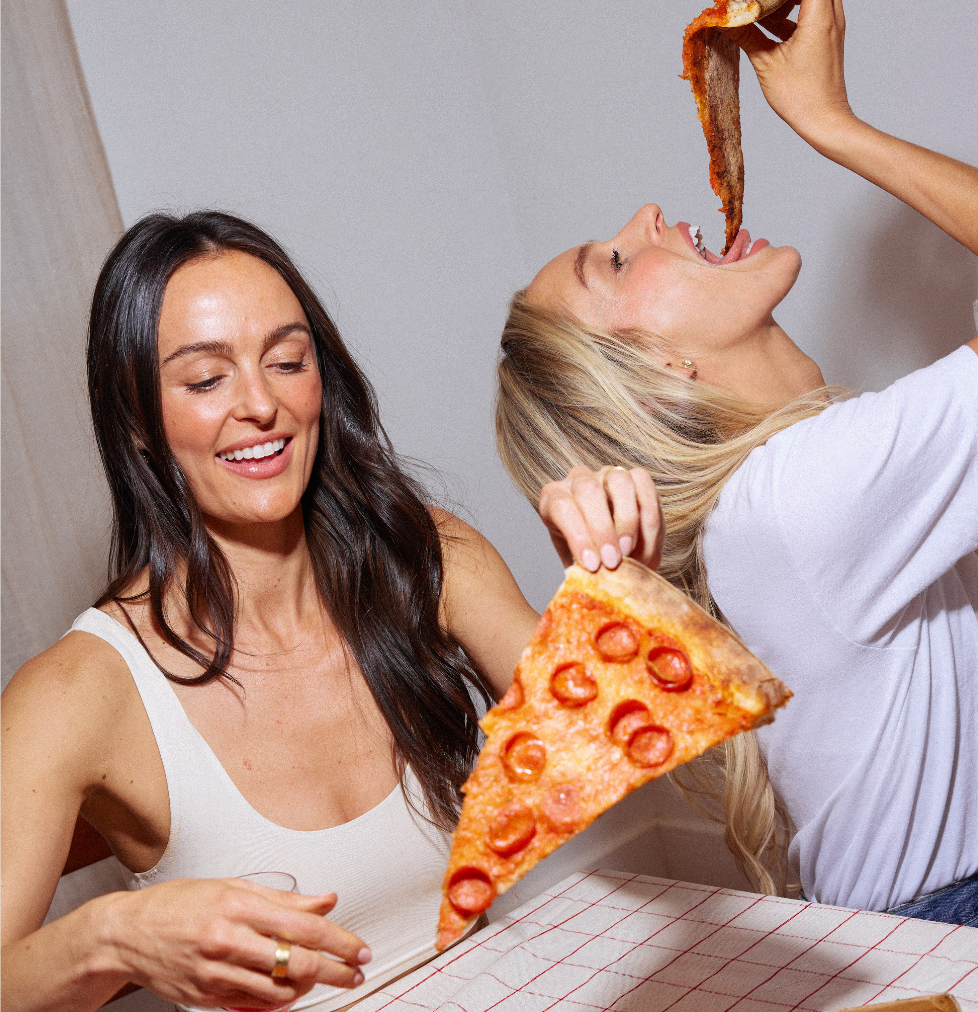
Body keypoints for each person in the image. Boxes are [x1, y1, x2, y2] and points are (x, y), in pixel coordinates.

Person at [493, 0, 978, 937]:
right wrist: (828, 123)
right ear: (658, 369)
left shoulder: (789, 485)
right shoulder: (805, 493)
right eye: (617, 261)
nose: (647, 217)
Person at [0, 211, 664, 1012]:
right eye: (207, 380)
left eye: (287, 361)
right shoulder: (75, 693)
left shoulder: (423, 556)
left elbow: (621, 749)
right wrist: (110, 935)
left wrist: (620, 580)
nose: (261, 406)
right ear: (137, 417)